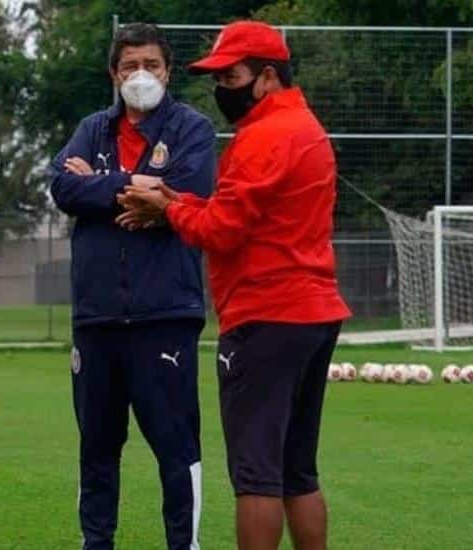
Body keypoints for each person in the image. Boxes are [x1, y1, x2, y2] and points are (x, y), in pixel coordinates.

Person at [118, 21, 351, 550]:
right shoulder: (306, 127)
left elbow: (220, 232)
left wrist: (167, 209)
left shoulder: (263, 137)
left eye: (232, 76)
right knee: (298, 471)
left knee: (256, 476)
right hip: (315, 313)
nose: (222, 87)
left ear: (267, 76)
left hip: (266, 315)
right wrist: (176, 203)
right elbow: (239, 215)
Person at [47, 22, 214, 550]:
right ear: (113, 74)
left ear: (167, 70)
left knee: (175, 447)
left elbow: (191, 193)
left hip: (165, 315)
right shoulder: (92, 129)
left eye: (151, 65)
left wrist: (107, 189)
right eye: (129, 67)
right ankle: (96, 544)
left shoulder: (192, 129)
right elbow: (63, 186)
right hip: (96, 320)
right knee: (97, 448)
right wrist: (134, 187)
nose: (140, 76)